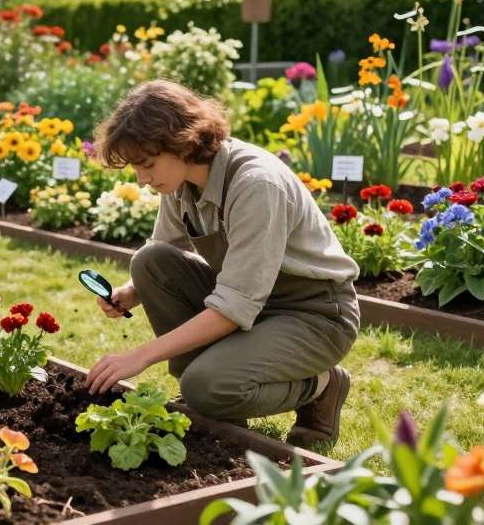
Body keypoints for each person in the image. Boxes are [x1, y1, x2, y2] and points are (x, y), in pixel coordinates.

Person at [84, 79, 360, 448]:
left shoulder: (256, 184)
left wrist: (140, 357)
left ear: (183, 141)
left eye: (147, 164)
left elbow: (234, 306)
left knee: (205, 387)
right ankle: (216, 398)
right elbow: (164, 249)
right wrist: (130, 294)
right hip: (253, 302)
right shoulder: (180, 181)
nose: (142, 178)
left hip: (314, 313)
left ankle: (323, 386)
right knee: (151, 262)